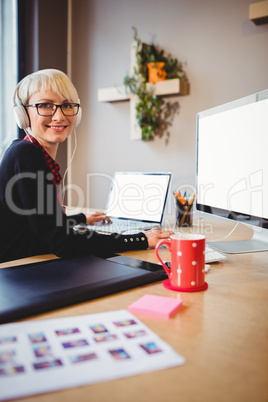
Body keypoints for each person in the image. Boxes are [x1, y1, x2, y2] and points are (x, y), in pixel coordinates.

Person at [0, 69, 173, 263]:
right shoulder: (25, 155)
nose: (59, 116)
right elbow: (63, 242)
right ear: (23, 114)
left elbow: (43, 225)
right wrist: (138, 239)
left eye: (66, 105)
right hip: (14, 275)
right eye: (45, 105)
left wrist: (81, 218)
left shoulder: (28, 153)